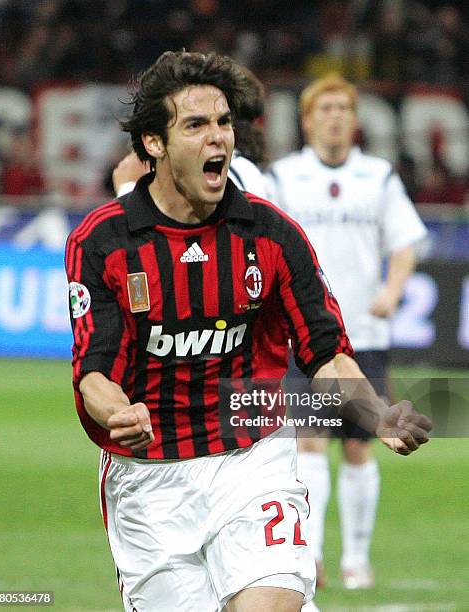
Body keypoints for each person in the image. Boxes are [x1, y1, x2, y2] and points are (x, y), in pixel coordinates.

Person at [65, 52, 431, 612]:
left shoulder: (273, 233)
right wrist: (116, 410)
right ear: (154, 143)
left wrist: (375, 412)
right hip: (150, 480)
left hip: (252, 459)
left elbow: (324, 351)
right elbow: (95, 368)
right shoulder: (103, 242)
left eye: (223, 122)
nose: (218, 138)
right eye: (195, 125)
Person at [268, 73, 428, 590]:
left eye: (344, 107)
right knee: (309, 441)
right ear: (307, 119)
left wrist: (394, 287)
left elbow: (405, 242)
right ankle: (310, 556)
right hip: (305, 339)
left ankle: (356, 558)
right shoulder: (284, 178)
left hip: (365, 334)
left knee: (361, 446)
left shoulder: (378, 177)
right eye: (326, 107)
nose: (336, 116)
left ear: (355, 120)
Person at [112, 66, 270, 200]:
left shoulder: (232, 174)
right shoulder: (248, 172)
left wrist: (127, 189)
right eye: (195, 125)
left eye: (222, 122)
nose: (215, 136)